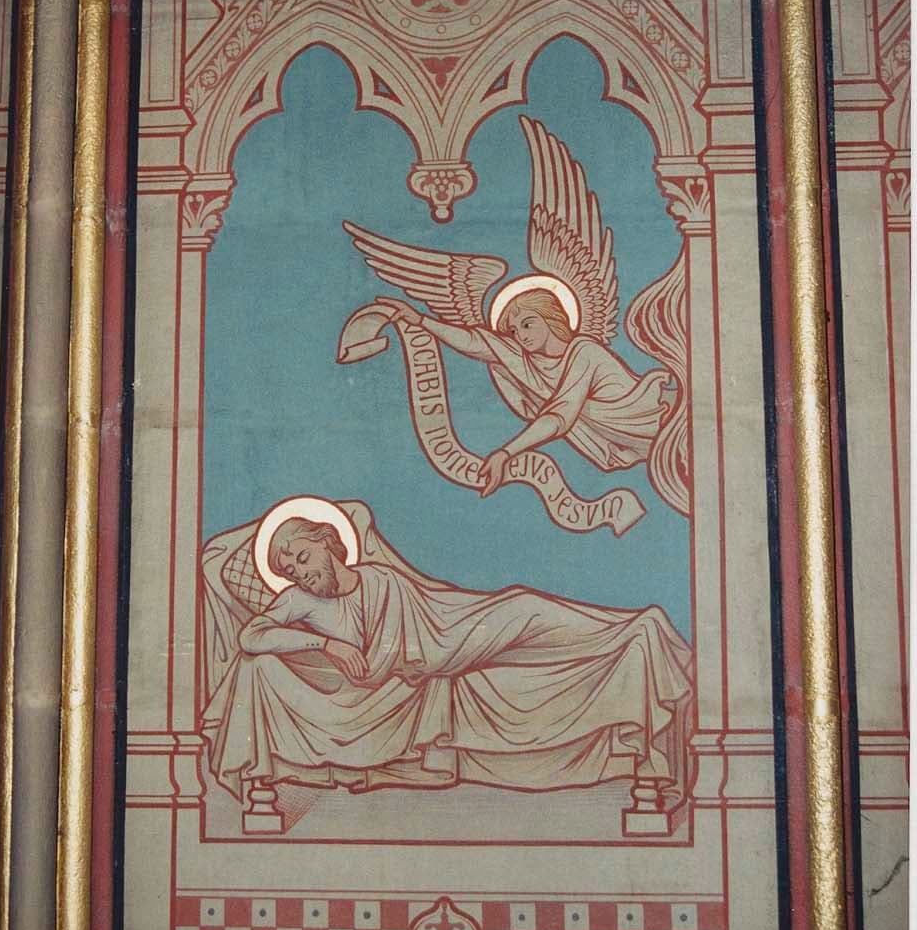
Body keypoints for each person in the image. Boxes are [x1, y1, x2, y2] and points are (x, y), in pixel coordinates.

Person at [203, 514, 692, 799]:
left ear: (328, 542)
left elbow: (423, 614)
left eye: (302, 557)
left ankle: (631, 632)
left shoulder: (380, 578)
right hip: (434, 657)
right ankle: (632, 635)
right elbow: (252, 637)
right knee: (521, 612)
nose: (299, 572)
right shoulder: (299, 602)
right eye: (288, 569)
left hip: (449, 628)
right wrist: (325, 644)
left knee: (523, 606)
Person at [376, 287, 672, 497]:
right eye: (514, 331)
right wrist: (421, 321)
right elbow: (476, 343)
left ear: (551, 318)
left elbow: (559, 416)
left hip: (659, 426)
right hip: (639, 446)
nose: (521, 335)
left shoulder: (585, 352)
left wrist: (506, 453)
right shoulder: (530, 361)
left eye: (528, 324)